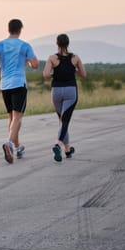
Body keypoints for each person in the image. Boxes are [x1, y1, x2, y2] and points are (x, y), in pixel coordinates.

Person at [0, 19, 39, 164]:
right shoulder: (25, 45)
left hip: (5, 84)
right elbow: (35, 64)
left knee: (11, 117)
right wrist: (27, 61)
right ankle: (9, 143)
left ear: (8, 29)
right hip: (18, 83)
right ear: (20, 29)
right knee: (18, 117)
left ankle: (17, 146)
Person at [42, 33, 87, 162]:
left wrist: (56, 72)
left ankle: (67, 149)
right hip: (70, 91)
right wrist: (72, 71)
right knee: (65, 120)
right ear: (68, 44)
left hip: (56, 91)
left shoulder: (52, 58)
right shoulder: (75, 58)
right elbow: (84, 74)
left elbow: (45, 74)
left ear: (57, 43)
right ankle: (58, 144)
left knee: (62, 121)